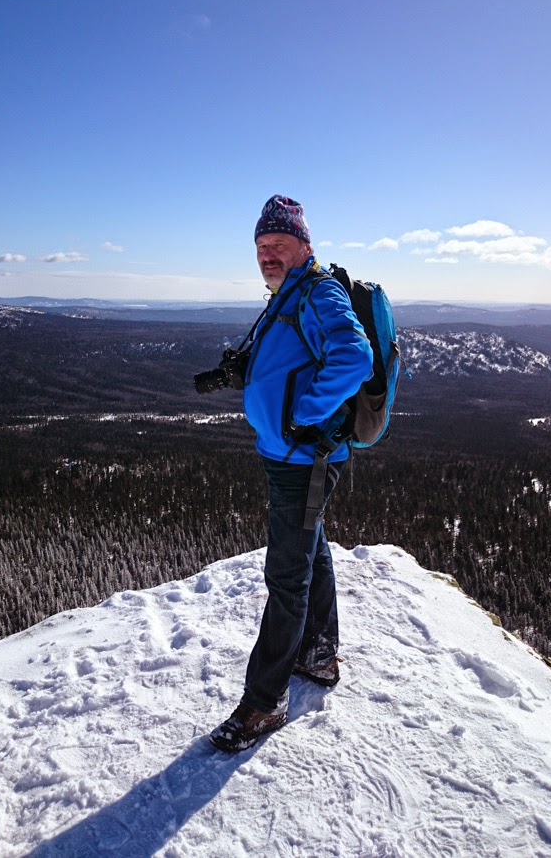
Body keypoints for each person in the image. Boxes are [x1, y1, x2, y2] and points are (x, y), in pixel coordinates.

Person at [210, 195, 374, 752]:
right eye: (261, 247)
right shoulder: (289, 293)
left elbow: (355, 356)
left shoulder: (320, 290)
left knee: (286, 578)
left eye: (279, 245)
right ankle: (319, 654)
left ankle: (264, 701)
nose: (268, 255)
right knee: (312, 550)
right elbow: (291, 362)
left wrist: (304, 414)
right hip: (286, 455)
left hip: (302, 459)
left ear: (305, 245)